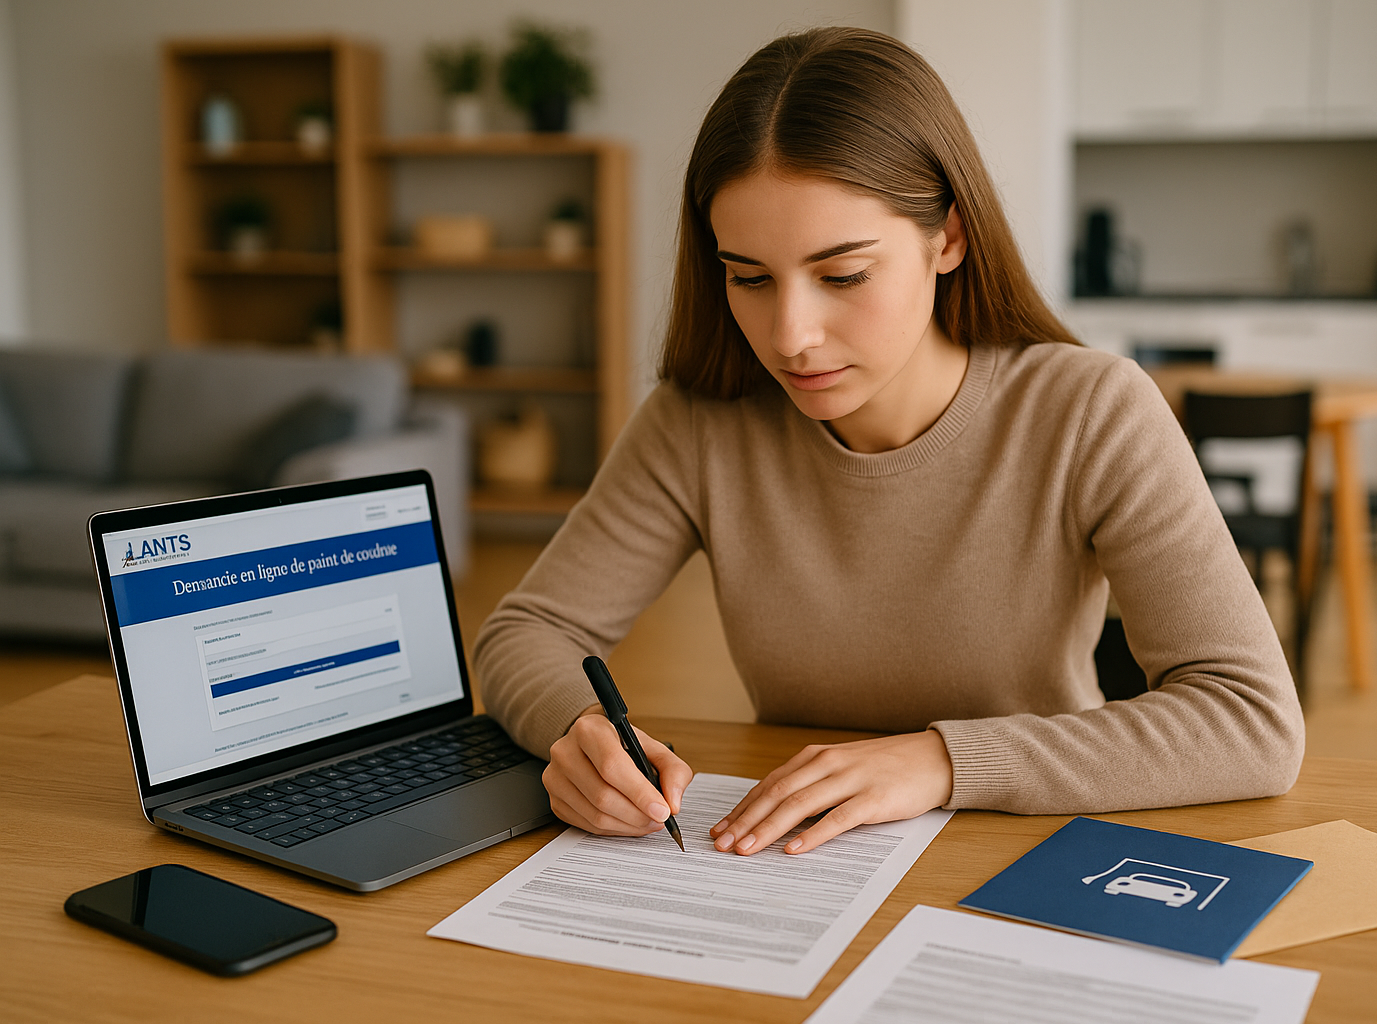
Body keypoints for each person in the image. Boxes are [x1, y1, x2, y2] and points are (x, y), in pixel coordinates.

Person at [474, 27, 1303, 858]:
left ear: (948, 237)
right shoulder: (699, 423)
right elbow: (526, 633)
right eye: (749, 277)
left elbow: (1251, 719)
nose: (791, 336)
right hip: (795, 865)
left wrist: (942, 761)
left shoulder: (1090, 409)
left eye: (842, 275)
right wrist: (576, 731)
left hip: (1023, 847)